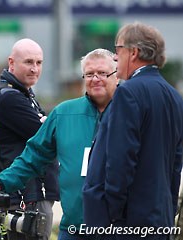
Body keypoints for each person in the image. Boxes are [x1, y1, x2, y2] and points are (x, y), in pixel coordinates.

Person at [0, 48, 119, 240]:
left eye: (103, 73)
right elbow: (34, 155)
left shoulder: (131, 112)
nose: (95, 78)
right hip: (74, 227)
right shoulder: (64, 113)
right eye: (89, 74)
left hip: (119, 228)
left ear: (117, 75)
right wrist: (2, 182)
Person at [83, 22, 183, 240]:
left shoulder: (128, 92)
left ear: (134, 52)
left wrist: (113, 213)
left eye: (118, 49)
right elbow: (176, 163)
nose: (116, 57)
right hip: (160, 219)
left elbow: (120, 158)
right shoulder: (174, 97)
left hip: (128, 222)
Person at [0, 38, 60, 240]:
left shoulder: (23, 92)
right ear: (11, 62)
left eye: (39, 63)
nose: (34, 68)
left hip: (30, 191)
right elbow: (50, 136)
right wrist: (45, 123)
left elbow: (47, 126)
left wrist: (46, 122)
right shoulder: (9, 97)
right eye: (28, 62)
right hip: (26, 193)